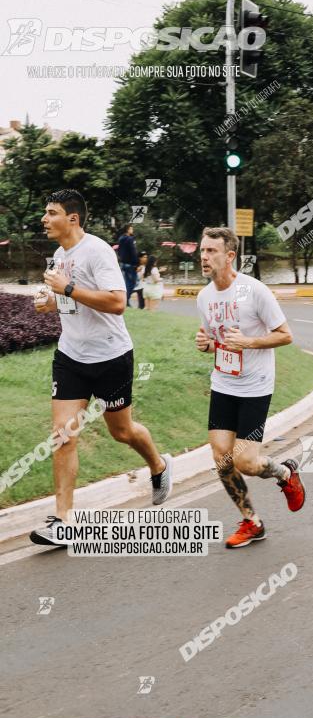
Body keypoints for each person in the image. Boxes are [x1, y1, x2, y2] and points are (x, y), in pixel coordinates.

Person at [31, 189, 173, 547]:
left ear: (73, 218)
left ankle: (158, 465)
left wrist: (69, 288)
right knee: (63, 434)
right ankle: (63, 520)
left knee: (122, 432)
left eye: (51, 213)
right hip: (71, 357)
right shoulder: (58, 255)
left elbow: (117, 302)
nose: (44, 219)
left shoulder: (96, 251)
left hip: (111, 357)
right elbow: (66, 297)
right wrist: (50, 301)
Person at [195, 226, 305, 549]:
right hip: (223, 383)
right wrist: (206, 344)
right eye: (202, 251)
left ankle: (284, 473)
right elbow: (215, 340)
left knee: (247, 462)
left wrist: (249, 342)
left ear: (230, 256)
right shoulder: (204, 297)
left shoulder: (255, 291)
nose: (204, 257)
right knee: (221, 457)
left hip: (255, 386)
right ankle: (251, 521)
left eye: (211, 251)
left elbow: (285, 335)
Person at [117, 223, 139, 306]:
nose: (132, 230)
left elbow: (119, 251)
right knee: (133, 283)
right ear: (128, 229)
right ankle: (126, 300)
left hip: (123, 263)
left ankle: (126, 301)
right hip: (130, 264)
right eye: (131, 229)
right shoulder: (130, 239)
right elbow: (133, 251)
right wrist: (136, 263)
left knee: (126, 282)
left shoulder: (120, 239)